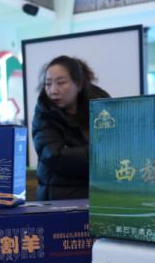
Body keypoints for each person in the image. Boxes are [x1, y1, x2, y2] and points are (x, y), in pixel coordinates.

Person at [32, 55, 110, 201]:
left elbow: (116, 144)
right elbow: (54, 156)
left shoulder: (102, 106)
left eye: (61, 83)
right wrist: (102, 155)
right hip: (58, 200)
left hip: (100, 196)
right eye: (48, 84)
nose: (53, 90)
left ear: (79, 84)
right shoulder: (44, 113)